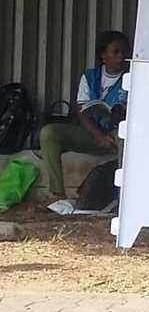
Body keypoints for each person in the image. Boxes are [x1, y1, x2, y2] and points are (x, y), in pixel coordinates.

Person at [38, 30, 130, 199]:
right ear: (103, 55)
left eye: (124, 52)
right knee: (49, 133)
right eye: (115, 52)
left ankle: (123, 198)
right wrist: (99, 136)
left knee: (125, 137)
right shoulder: (90, 76)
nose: (121, 57)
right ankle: (57, 194)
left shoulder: (131, 77)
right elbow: (82, 111)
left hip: (120, 137)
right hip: (95, 136)